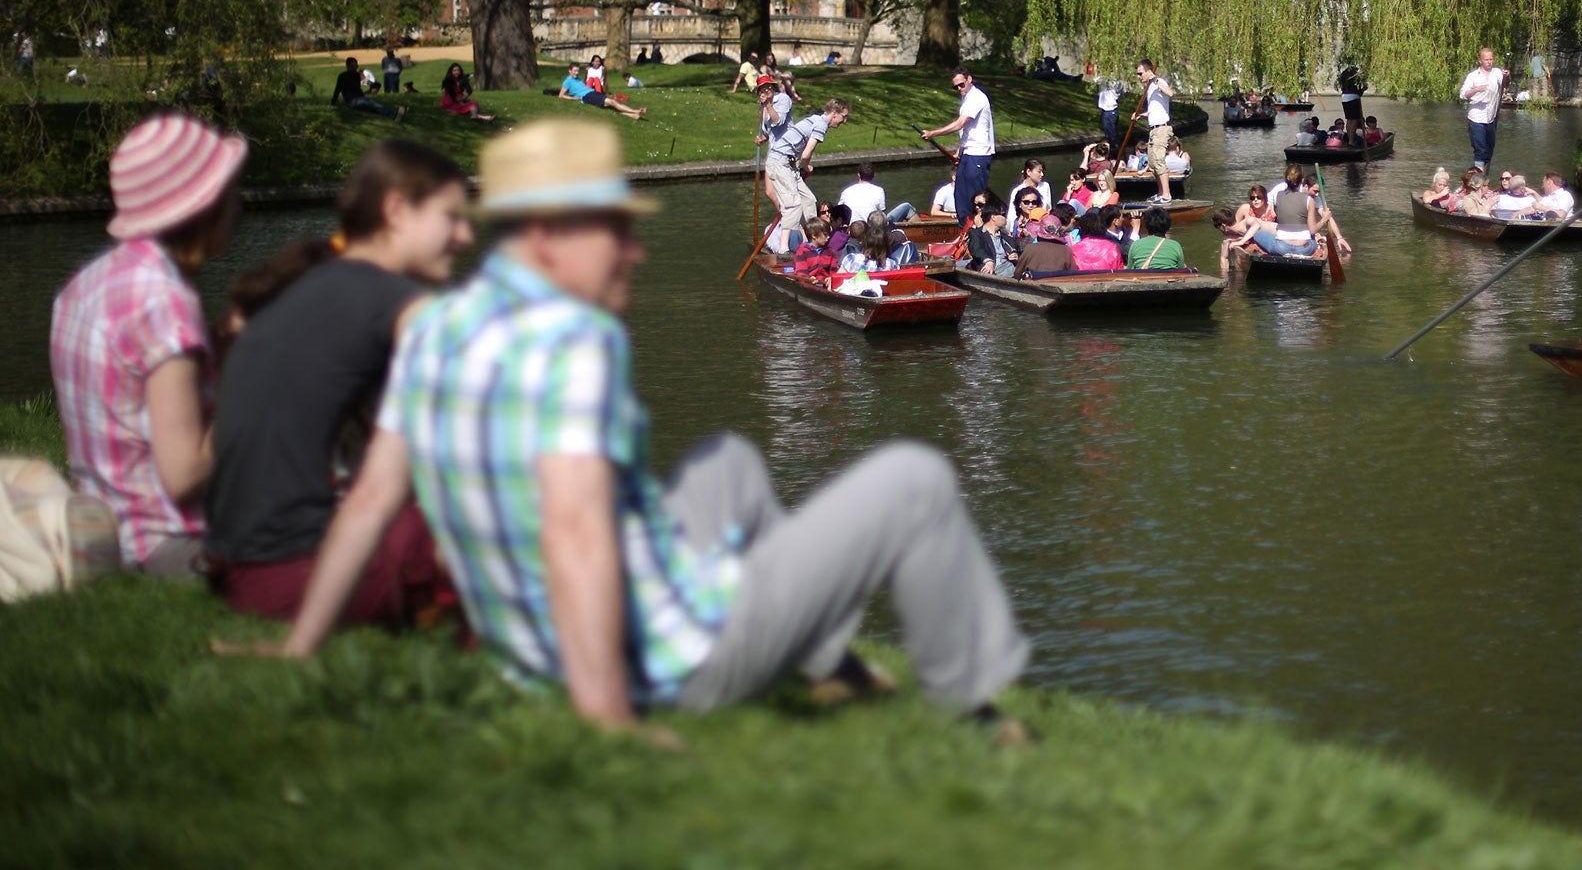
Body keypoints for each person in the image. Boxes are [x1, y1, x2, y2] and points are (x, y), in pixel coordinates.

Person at [249, 118, 1031, 738]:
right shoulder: (573, 342)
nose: (635, 249)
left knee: (726, 461)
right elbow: (577, 536)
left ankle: (827, 662)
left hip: (534, 646)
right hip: (665, 659)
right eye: (613, 230)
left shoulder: (436, 329)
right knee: (915, 480)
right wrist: (607, 717)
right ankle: (977, 718)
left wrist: (297, 647)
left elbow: (370, 499)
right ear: (548, 239)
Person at [205, 141, 471, 625]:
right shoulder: (407, 308)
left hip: (238, 572)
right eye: (452, 217)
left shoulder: (294, 285)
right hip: (300, 576)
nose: (466, 235)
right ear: (395, 210)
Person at [49, 113, 247, 576]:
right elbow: (183, 475)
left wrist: (220, 348)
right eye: (229, 193)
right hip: (169, 544)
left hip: (104, 524)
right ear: (201, 208)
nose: (239, 205)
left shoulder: (86, 284)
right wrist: (255, 383)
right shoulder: (165, 302)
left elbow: (130, 404)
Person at [767, 97, 850, 252]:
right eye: (843, 117)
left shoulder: (816, 120)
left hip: (790, 164)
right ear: (835, 113)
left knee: (809, 200)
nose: (844, 121)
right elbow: (806, 154)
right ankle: (784, 249)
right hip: (780, 162)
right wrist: (806, 167)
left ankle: (810, 242)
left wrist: (801, 165)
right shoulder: (821, 124)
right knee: (793, 205)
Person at [921, 70, 995, 228]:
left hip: (978, 155)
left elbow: (960, 124)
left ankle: (979, 233)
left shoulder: (977, 97)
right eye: (956, 87)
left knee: (976, 199)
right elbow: (967, 131)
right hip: (968, 153)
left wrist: (933, 133)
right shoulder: (967, 98)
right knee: (961, 198)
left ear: (969, 79)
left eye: (962, 84)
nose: (960, 89)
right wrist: (959, 152)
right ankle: (965, 234)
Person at [1457, 48, 1508, 171]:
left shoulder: (1497, 73)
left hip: (1491, 118)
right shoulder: (1473, 76)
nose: (1489, 62)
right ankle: (1478, 179)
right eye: (1486, 60)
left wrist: (1507, 76)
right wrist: (1476, 89)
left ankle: (1483, 177)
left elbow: (1505, 85)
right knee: (1480, 150)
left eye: (1491, 59)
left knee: (1489, 150)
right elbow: (1463, 95)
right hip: (1476, 118)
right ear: (1480, 61)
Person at [1135, 60, 1174, 203]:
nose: (1139, 77)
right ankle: (1160, 193)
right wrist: (1140, 115)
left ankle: (1167, 196)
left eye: (1140, 73)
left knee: (1158, 160)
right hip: (1153, 129)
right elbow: (1154, 109)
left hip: (1162, 128)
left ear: (1148, 71)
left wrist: (1155, 79)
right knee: (1152, 162)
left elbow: (1170, 93)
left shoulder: (1158, 82)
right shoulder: (1149, 87)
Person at [558, 64, 647, 121]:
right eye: (575, 71)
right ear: (569, 71)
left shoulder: (578, 79)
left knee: (612, 103)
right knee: (612, 102)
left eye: (578, 71)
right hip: (587, 96)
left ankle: (634, 115)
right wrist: (573, 98)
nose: (577, 73)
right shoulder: (567, 81)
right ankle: (636, 111)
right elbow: (561, 95)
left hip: (592, 92)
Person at [838, 164, 913, 225]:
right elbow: (881, 213)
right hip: (872, 230)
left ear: (858, 175)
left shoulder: (846, 191)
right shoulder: (879, 191)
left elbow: (839, 211)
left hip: (853, 229)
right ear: (873, 176)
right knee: (907, 206)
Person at [332, 56, 401, 120]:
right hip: (352, 100)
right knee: (372, 104)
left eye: (356, 66)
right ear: (347, 66)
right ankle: (394, 115)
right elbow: (337, 89)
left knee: (373, 105)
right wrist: (333, 102)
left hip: (360, 98)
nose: (354, 68)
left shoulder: (356, 75)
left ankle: (395, 114)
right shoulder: (343, 76)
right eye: (352, 66)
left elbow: (361, 87)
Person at [1017, 206, 1079, 275]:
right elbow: (1073, 273)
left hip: (1034, 284)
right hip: (1057, 284)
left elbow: (1018, 272)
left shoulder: (1030, 248)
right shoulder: (1066, 250)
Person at [964, 201, 1017, 277]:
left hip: (1009, 271)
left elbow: (1018, 250)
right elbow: (976, 248)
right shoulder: (976, 233)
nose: (1006, 218)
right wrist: (988, 261)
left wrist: (1016, 256)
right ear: (993, 217)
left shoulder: (1006, 238)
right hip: (989, 271)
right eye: (1003, 215)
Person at [1124, 205, 1185, 270]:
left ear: (1146, 225)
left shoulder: (1135, 245)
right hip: (1167, 278)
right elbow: (1181, 270)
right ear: (1168, 225)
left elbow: (1129, 270)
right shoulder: (1175, 246)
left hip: (1144, 278)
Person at [1003, 159, 1047, 227]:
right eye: (1039, 171)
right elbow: (1012, 213)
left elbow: (1048, 207)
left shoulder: (1045, 186)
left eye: (1042, 171)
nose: (1042, 174)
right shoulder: (1017, 190)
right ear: (1028, 171)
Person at [1094, 73, 1123, 150]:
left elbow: (1118, 89)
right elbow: (1096, 79)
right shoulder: (1104, 79)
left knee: (1111, 134)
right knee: (1108, 132)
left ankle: (1115, 151)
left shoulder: (1115, 81)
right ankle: (1111, 149)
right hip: (1106, 111)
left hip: (1111, 111)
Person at [1337, 64, 1364, 141]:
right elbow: (1359, 92)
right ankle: (1351, 141)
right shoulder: (1356, 79)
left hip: (1344, 97)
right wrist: (1364, 89)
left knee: (1349, 119)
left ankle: (1350, 139)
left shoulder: (1343, 79)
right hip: (1353, 97)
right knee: (1354, 120)